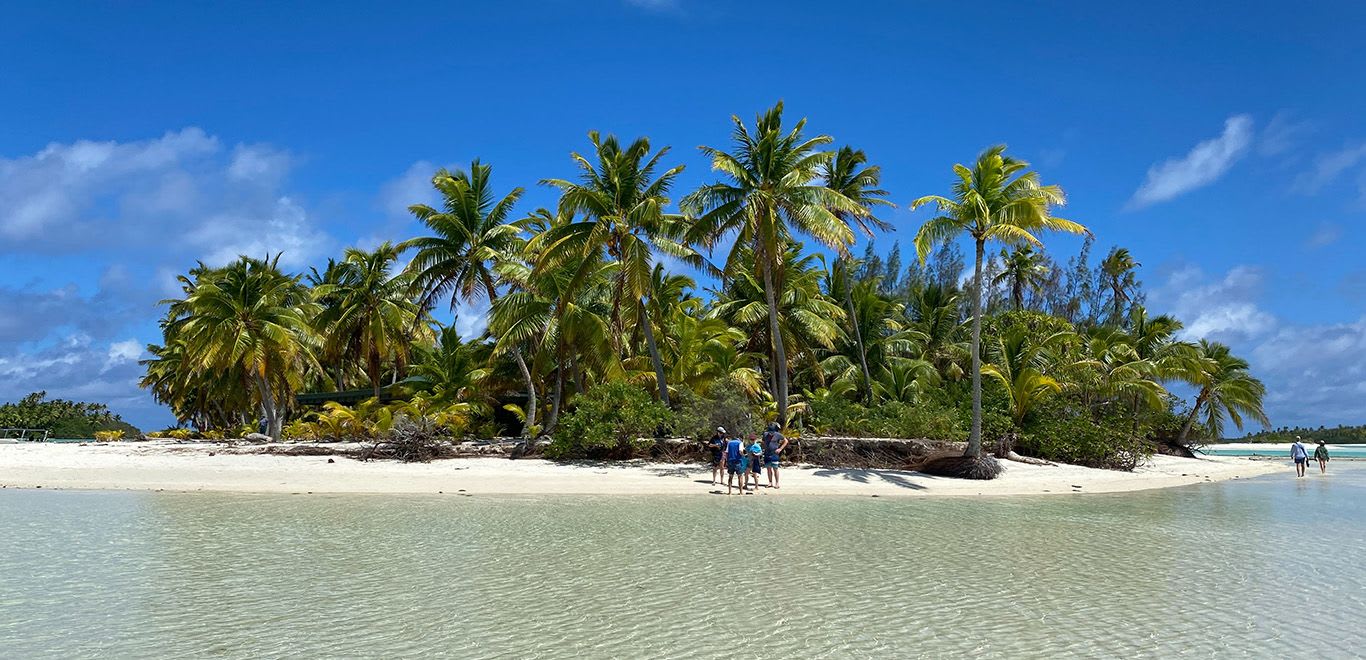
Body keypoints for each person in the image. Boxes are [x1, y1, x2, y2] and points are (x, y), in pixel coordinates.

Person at [762, 423, 788, 489]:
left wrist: (780, 449)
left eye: (772, 432)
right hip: (767, 454)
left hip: (774, 454)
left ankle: (777, 483)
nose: (771, 433)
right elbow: (763, 441)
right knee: (768, 469)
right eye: (770, 432)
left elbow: (786, 441)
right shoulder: (765, 434)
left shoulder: (778, 435)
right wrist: (764, 448)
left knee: (775, 469)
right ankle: (770, 482)